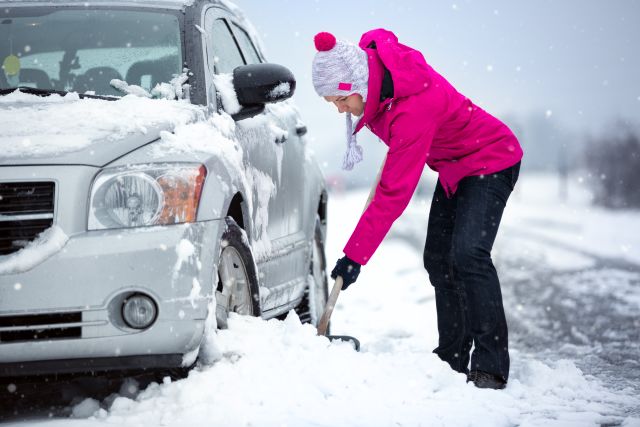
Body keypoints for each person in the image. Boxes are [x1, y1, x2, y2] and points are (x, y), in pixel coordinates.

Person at [311, 29, 523, 390]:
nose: (339, 110)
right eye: (333, 103)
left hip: (490, 159)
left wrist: (355, 257)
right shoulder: (375, 76)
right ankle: (453, 357)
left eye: (340, 100)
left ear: (357, 86)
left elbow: (394, 193)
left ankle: (490, 363)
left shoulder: (412, 110)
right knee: (438, 259)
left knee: (468, 253)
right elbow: (378, 37)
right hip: (455, 167)